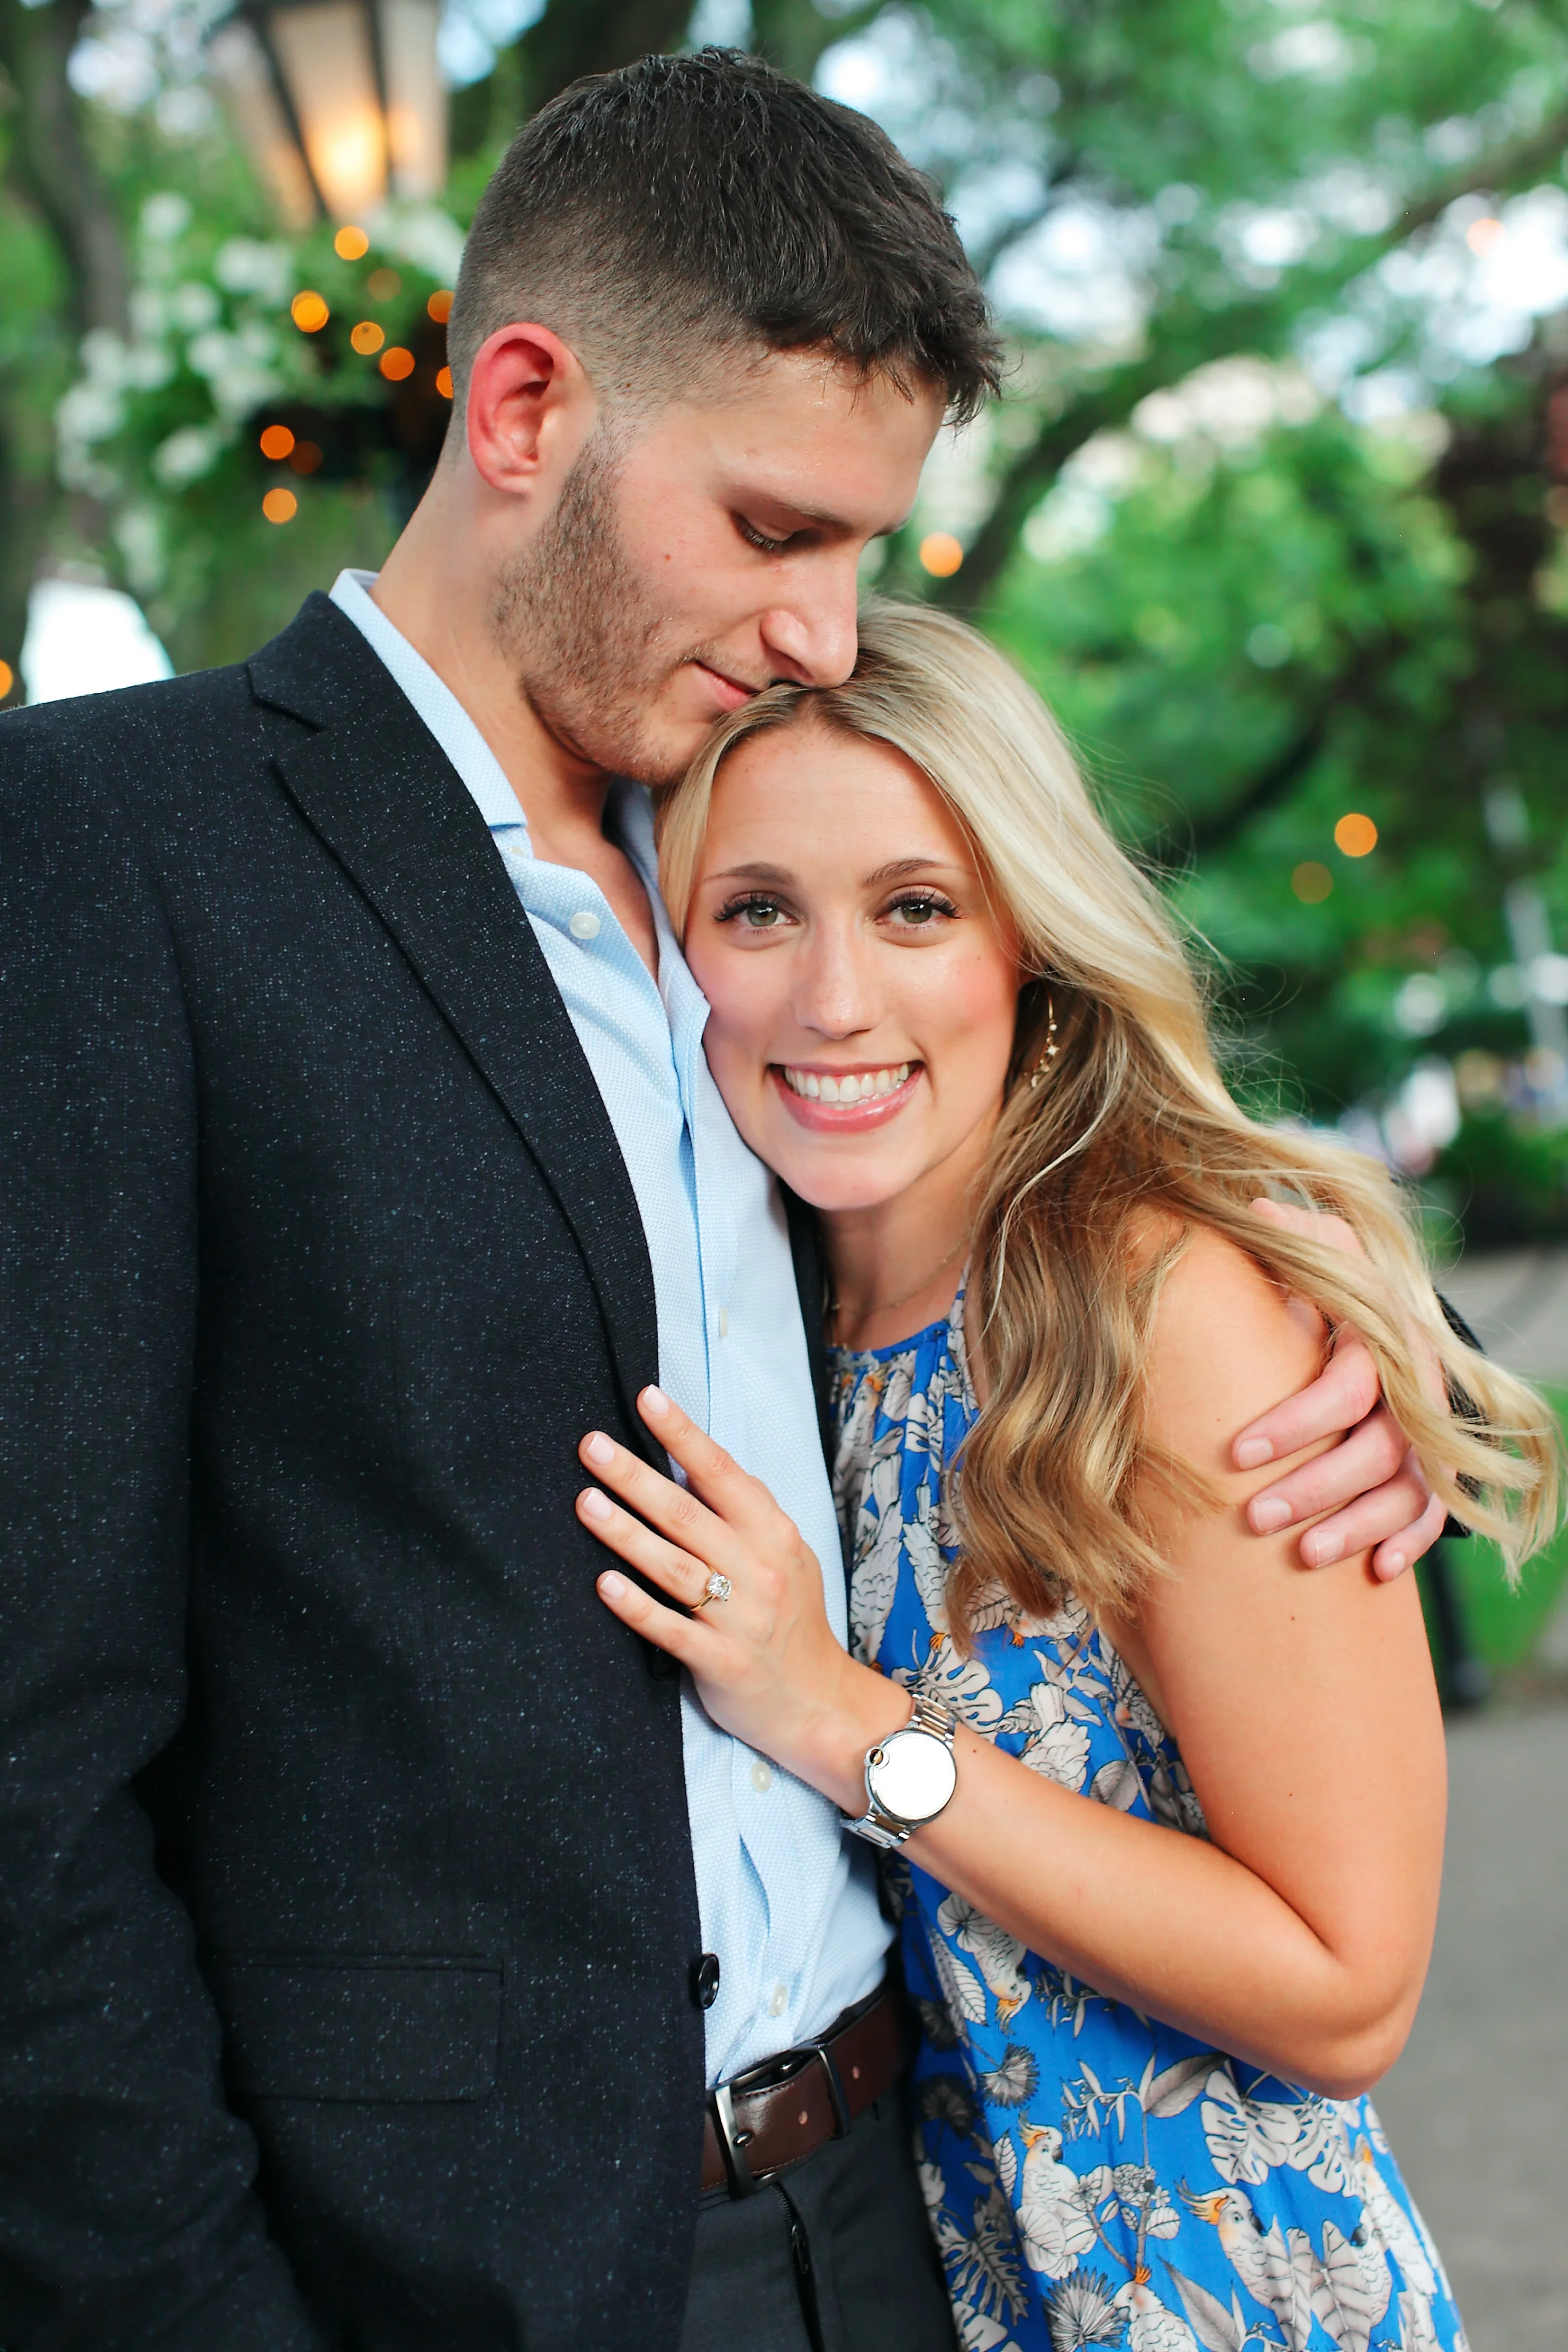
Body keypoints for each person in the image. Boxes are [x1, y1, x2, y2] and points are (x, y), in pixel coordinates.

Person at [0, 51, 1450, 2352]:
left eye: (863, 554)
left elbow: (1019, 1282)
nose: (816, 623)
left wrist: (1319, 1369)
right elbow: (29, 1753)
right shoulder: (107, 851)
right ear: (525, 409)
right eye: (775, 529)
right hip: (444, 2272)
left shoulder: (744, 895)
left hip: (906, 2222)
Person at [573, 602, 1561, 2352]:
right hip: (932, 2281)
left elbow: (1346, 1989)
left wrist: (834, 1718)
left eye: (916, 907)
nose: (834, 997)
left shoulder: (1156, 1303)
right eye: (756, 911)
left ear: (1027, 936)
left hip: (1220, 2298)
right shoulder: (770, 1310)